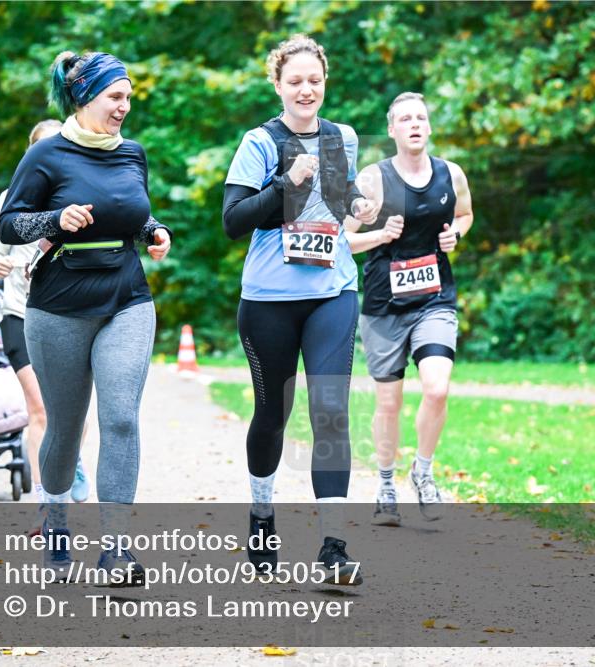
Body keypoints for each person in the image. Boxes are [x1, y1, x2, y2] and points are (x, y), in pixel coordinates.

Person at [0, 51, 172, 578]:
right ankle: (54, 517)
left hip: (127, 296)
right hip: (60, 305)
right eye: (115, 97)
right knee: (66, 427)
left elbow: (130, 210)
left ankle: (116, 549)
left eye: (128, 98)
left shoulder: (133, 153)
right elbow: (11, 224)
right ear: (84, 97)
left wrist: (152, 231)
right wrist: (56, 217)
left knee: (120, 417)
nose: (124, 107)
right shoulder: (47, 155)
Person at [222, 34, 379, 585]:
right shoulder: (259, 142)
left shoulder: (344, 138)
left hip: (333, 292)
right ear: (278, 85)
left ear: (324, 83)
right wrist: (285, 183)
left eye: (314, 80)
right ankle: (262, 513)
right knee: (273, 415)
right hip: (268, 300)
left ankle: (333, 546)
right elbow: (234, 221)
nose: (306, 89)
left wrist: (358, 201)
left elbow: (342, 195)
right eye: (295, 81)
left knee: (331, 412)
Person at [345, 92, 474, 526]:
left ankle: (422, 470)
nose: (414, 124)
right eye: (405, 118)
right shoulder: (373, 179)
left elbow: (466, 215)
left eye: (421, 117)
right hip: (384, 305)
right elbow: (344, 239)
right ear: (392, 129)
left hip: (435, 299)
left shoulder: (450, 175)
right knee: (389, 402)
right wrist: (380, 235)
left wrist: (455, 233)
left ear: (429, 126)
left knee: (437, 388)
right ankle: (385, 485)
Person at [0, 119, 91, 508]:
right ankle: (46, 499)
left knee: (74, 409)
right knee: (40, 407)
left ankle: (71, 459)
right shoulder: (13, 196)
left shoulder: (81, 196)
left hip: (68, 315)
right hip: (19, 314)